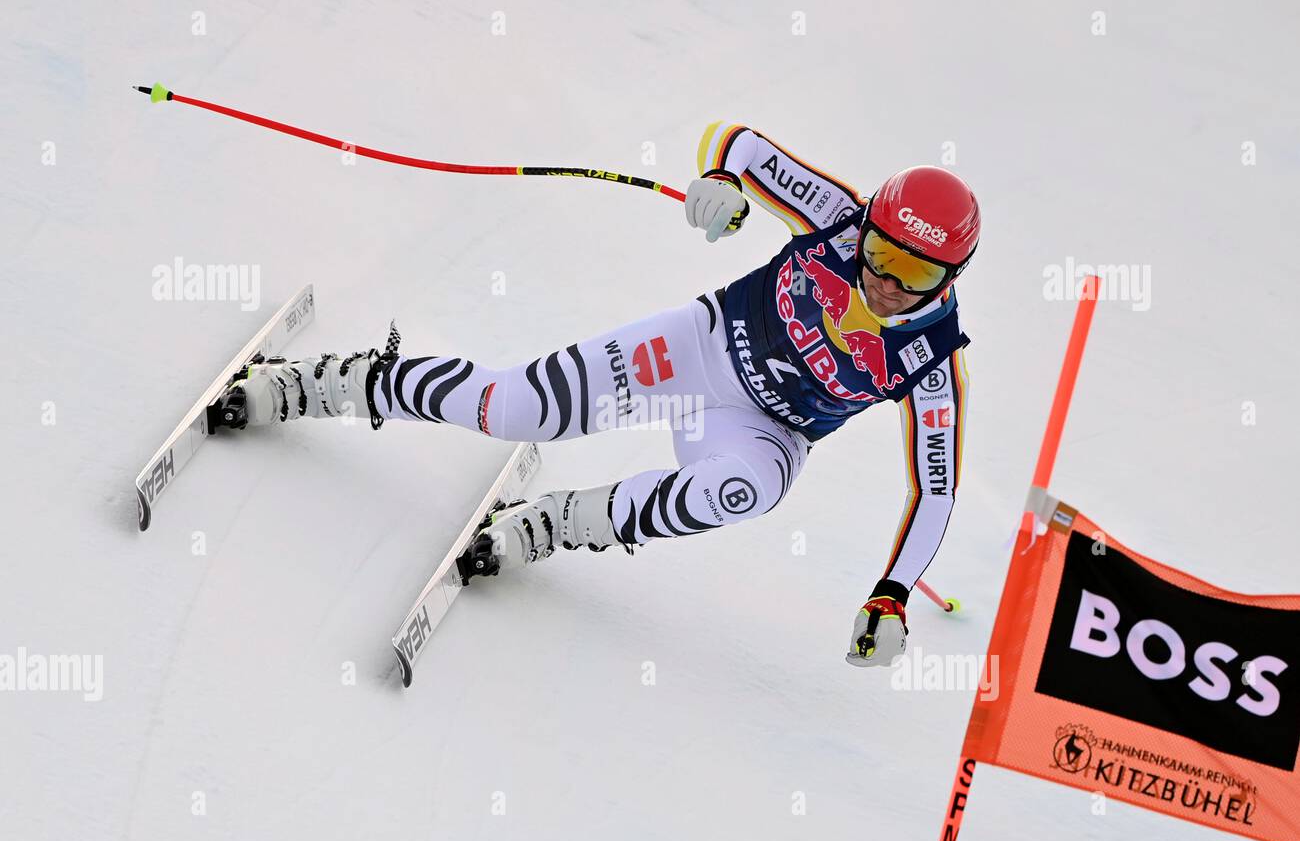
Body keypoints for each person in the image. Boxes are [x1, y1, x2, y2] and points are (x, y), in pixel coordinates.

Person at [216, 123, 980, 667]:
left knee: (751, 488)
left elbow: (935, 493)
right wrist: (718, 184)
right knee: (512, 409)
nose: (882, 280)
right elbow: (737, 141)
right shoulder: (836, 216)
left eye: (913, 276)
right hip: (699, 349)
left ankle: (555, 524)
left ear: (949, 281)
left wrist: (891, 595)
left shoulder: (935, 364)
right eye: (880, 253)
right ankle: (332, 383)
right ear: (870, 226)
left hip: (762, 433)